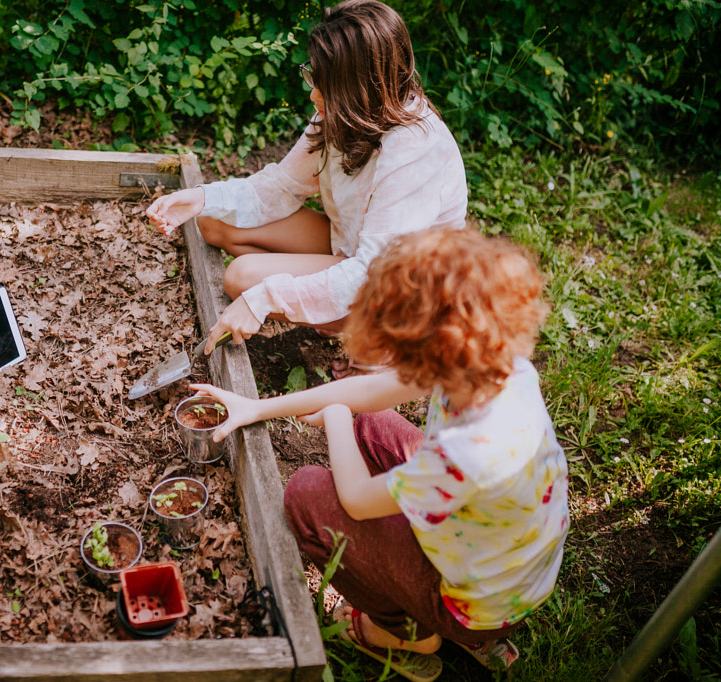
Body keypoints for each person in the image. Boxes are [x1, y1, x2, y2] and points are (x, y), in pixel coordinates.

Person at [190, 228, 569, 681]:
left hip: (476, 603)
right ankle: (435, 615)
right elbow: (369, 391)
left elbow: (354, 499)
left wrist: (334, 418)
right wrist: (258, 407)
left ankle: (407, 633)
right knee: (371, 422)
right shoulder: (491, 363)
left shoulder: (467, 455)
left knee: (308, 494)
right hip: (498, 558)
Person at [146, 0, 467, 376]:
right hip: (351, 244)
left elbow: (375, 272)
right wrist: (200, 198)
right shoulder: (344, 111)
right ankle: (330, 309)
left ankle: (382, 342)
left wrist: (264, 298)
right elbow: (281, 187)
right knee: (214, 221)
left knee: (243, 278)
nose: (314, 93)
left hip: (399, 288)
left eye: (325, 83)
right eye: (314, 75)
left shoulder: (414, 151)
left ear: (361, 86)